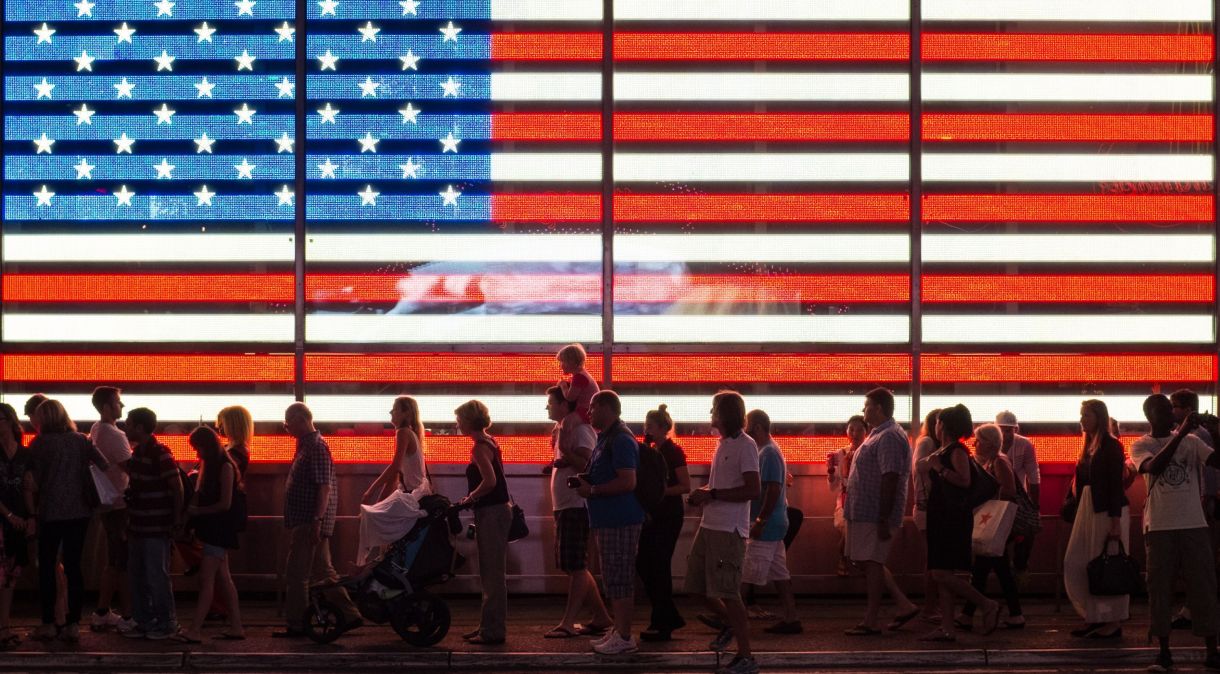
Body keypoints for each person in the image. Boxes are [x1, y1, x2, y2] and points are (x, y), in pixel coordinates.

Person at [1130, 394, 1220, 672]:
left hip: (1194, 522)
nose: (1170, 414)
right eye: (1162, 410)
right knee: (1160, 590)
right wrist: (1181, 433)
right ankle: (1164, 651)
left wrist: (1215, 431)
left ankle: (1211, 649)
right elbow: (1153, 466)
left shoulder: (1193, 442)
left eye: (1170, 409)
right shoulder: (1141, 444)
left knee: (1203, 588)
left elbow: (1217, 461)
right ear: (1149, 416)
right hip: (1159, 525)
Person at [684, 391, 760, 674]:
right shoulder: (723, 444)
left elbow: (752, 489)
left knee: (728, 591)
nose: (710, 413)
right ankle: (730, 623)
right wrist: (706, 494)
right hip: (710, 524)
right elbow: (724, 487)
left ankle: (746, 656)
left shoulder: (746, 446)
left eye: (714, 408)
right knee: (694, 586)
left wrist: (712, 493)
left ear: (725, 412)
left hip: (729, 528)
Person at [275, 402, 362, 639]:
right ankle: (350, 614)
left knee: (297, 574)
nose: (286, 427)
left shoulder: (316, 448)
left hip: (310, 521)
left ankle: (297, 624)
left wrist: (317, 520)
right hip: (308, 521)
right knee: (324, 571)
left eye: (288, 422)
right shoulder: (307, 446)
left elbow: (323, 488)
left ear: (302, 419)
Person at [24, 399, 109, 643]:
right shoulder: (81, 440)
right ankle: (73, 624)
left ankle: (49, 623)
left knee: (48, 567)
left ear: (42, 420)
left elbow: (31, 479)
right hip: (80, 512)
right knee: (74, 567)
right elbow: (103, 464)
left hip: (50, 513)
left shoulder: (39, 444)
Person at [915, 405, 1000, 642]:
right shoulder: (945, 450)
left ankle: (986, 604)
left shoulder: (957, 452)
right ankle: (947, 627)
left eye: (939, 421)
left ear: (945, 425)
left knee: (941, 573)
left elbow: (964, 481)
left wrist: (938, 468)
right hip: (941, 515)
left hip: (951, 518)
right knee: (942, 571)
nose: (936, 425)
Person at [844, 388, 920, 635]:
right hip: (864, 511)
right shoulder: (879, 434)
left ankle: (870, 620)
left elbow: (890, 477)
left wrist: (883, 517)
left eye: (866, 406)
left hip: (874, 513)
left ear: (877, 408)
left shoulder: (889, 436)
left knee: (872, 562)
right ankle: (903, 605)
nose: (863, 411)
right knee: (868, 561)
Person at [575, 391, 645, 655]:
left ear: (606, 407)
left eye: (592, 407)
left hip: (620, 519)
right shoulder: (607, 438)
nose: (589, 413)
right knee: (613, 576)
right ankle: (620, 629)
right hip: (608, 519)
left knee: (619, 576)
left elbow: (628, 481)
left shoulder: (621, 439)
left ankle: (625, 636)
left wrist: (592, 491)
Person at [543, 386, 612, 640]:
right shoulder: (564, 428)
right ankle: (601, 616)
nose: (547, 407)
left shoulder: (581, 430)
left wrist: (567, 455)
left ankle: (568, 622)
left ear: (565, 404)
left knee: (575, 565)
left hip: (576, 505)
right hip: (565, 505)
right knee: (574, 565)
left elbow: (588, 464)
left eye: (551, 403)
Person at [1063, 399, 1129, 640]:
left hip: (1104, 511)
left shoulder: (1111, 446)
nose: (1081, 420)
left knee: (1103, 564)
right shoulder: (1090, 445)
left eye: (1086, 415)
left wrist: (1115, 522)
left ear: (1099, 418)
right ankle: (1094, 616)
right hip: (1090, 509)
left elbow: (1114, 486)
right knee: (1081, 563)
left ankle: (1110, 621)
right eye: (1081, 415)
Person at [119, 406, 184, 641]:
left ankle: (166, 622)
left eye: (128, 423)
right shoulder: (140, 454)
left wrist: (176, 520)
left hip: (154, 526)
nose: (124, 427)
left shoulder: (159, 453)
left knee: (155, 575)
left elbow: (177, 488)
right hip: (140, 525)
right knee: (139, 575)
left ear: (139, 427)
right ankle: (148, 620)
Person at [178, 426, 245, 643]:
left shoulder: (224, 467)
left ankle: (195, 629)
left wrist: (197, 512)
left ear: (207, 446)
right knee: (224, 578)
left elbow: (224, 504)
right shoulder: (219, 465)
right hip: (218, 529)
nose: (197, 454)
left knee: (206, 579)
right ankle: (236, 626)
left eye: (198, 448)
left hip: (218, 529)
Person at [454, 399, 510, 646]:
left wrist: (470, 497)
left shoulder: (478, 448)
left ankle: (493, 631)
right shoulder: (490, 442)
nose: (457, 424)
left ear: (468, 421)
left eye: (459, 420)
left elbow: (490, 481)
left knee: (492, 574)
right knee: (491, 572)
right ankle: (487, 625)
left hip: (491, 512)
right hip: (498, 511)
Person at [960, 424, 1023, 629]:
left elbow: (1009, 491)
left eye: (979, 440)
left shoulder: (998, 461)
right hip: (997, 526)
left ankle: (969, 614)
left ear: (990, 442)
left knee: (983, 568)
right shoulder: (994, 461)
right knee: (998, 568)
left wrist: (989, 498)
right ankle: (1014, 613)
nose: (975, 444)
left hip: (998, 523)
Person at [742, 409, 800, 634]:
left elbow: (773, 488)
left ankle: (730, 620)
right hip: (775, 523)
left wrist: (760, 520)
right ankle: (791, 617)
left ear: (756, 427)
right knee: (780, 572)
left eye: (747, 424)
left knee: (746, 572)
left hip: (767, 524)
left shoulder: (767, 454)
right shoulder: (768, 451)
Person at [637, 403, 689, 642]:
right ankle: (666, 616)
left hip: (668, 515)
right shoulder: (649, 451)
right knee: (647, 564)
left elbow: (684, 486)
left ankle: (663, 620)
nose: (645, 429)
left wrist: (658, 492)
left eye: (649, 426)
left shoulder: (673, 452)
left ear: (661, 428)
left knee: (657, 565)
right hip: (654, 515)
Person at [88, 386, 133, 632]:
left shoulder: (96, 429)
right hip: (120, 503)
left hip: (106, 503)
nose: (122, 406)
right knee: (122, 559)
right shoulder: (115, 435)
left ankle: (103, 610)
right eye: (118, 402)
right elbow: (131, 467)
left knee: (113, 558)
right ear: (107, 407)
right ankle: (127, 616)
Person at [994, 411, 1040, 582]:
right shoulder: (991, 444)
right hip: (997, 500)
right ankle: (1009, 573)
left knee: (1025, 534)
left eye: (1009, 430)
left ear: (1016, 429)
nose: (1005, 434)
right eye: (1002, 430)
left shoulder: (1024, 445)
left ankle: (1018, 567)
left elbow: (1033, 474)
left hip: (1016, 498)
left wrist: (1035, 504)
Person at [0, 404, 31, 650]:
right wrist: (9, 514)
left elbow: (29, 488)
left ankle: (5, 625)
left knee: (12, 573)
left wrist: (30, 516)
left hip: (18, 518)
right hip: (5, 518)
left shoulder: (24, 454)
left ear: (11, 421)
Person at [362, 396, 428, 504]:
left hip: (410, 496)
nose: (391, 412)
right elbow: (394, 477)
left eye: (395, 409)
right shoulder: (412, 434)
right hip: (416, 495)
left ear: (406, 413)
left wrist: (370, 491)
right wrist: (379, 503)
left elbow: (395, 467)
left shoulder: (403, 432)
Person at [911, 408, 942, 621]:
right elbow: (920, 466)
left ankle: (933, 606)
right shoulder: (928, 443)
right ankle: (930, 607)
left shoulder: (928, 442)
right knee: (933, 560)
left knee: (934, 559)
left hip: (928, 508)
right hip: (927, 508)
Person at [829, 415, 866, 577]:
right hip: (845, 500)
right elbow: (835, 484)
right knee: (847, 529)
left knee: (855, 533)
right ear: (847, 431)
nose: (855, 433)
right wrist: (830, 475)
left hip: (865, 500)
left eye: (859, 429)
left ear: (866, 431)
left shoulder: (869, 451)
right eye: (851, 429)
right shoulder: (841, 453)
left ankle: (847, 559)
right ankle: (846, 558)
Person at [557, 343, 599, 423]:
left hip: (586, 412)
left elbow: (570, 398)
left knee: (566, 422)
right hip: (588, 411)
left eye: (562, 362)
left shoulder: (579, 377)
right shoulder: (582, 374)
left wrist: (563, 386)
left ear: (571, 361)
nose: (560, 366)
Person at [216, 406, 254, 477]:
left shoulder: (240, 451)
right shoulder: (227, 447)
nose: (219, 427)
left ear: (233, 425)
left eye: (222, 424)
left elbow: (219, 471)